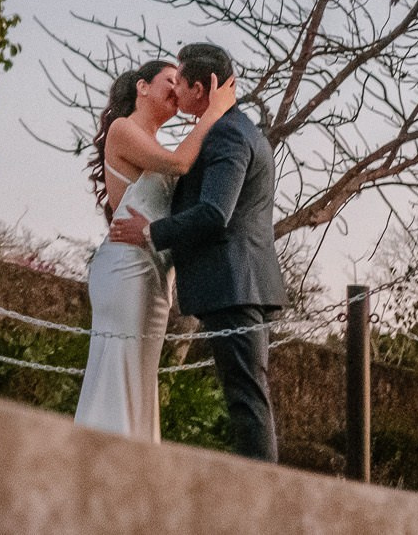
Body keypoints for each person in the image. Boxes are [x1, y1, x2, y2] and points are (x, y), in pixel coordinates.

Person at [109, 41, 286, 461]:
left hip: (234, 283)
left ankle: (259, 504)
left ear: (200, 88)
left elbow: (214, 213)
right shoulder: (237, 128)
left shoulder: (226, 133)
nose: (177, 94)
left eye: (181, 84)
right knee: (246, 395)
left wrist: (153, 232)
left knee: (246, 399)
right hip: (237, 283)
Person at [72, 56, 236, 441]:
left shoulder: (154, 143)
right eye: (169, 80)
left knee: (141, 375)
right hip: (126, 269)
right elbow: (179, 163)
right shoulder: (122, 129)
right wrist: (214, 112)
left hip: (157, 277)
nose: (176, 89)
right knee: (119, 370)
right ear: (142, 87)